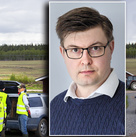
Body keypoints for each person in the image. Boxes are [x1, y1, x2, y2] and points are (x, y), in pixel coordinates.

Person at [50, 7, 125, 135]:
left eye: (95, 48)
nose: (85, 60)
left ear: (111, 48)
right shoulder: (54, 106)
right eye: (75, 50)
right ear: (63, 53)